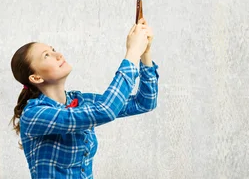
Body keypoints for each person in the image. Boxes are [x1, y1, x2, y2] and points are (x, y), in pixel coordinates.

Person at [10, 17, 158, 178]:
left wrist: (145, 53)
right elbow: (106, 110)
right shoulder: (33, 115)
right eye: (47, 55)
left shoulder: (79, 101)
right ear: (36, 78)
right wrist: (132, 53)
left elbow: (144, 103)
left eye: (53, 49)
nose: (58, 54)